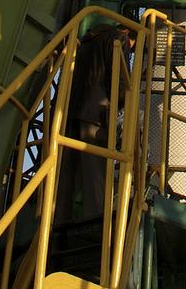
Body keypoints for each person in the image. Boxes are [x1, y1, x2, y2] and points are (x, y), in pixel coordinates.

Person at [56, 22, 135, 223]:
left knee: (66, 176)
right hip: (95, 114)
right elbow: (119, 80)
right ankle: (96, 225)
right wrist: (124, 104)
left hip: (70, 111)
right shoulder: (119, 39)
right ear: (127, 31)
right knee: (95, 176)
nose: (131, 48)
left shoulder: (86, 41)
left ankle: (57, 224)